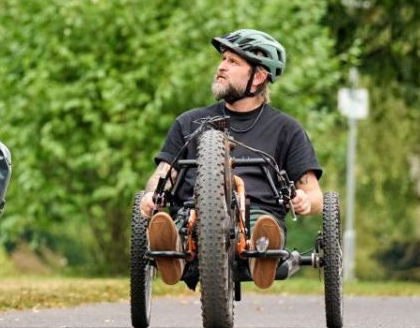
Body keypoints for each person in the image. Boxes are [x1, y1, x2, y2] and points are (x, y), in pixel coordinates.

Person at [138, 29, 324, 289]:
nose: (221, 67)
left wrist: (305, 201)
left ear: (259, 76)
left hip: (258, 214)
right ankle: (174, 252)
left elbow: (316, 196)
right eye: (223, 59)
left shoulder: (287, 129)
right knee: (184, 223)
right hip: (196, 213)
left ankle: (262, 254)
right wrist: (151, 196)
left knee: (262, 226)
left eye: (233, 62)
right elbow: (163, 173)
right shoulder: (188, 122)